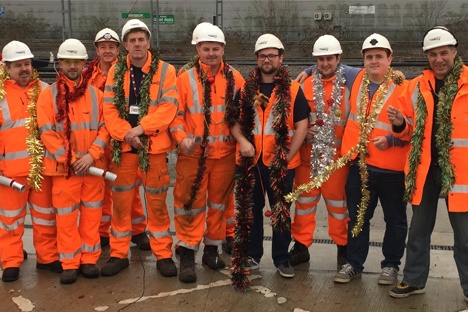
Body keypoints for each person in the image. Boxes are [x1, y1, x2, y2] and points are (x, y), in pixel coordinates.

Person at [388, 26, 468, 301]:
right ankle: (413, 280)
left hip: (461, 174)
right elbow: (407, 128)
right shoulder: (416, 86)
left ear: (455, 52)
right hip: (424, 170)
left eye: (443, 52)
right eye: (433, 54)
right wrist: (399, 124)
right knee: (418, 231)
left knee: (465, 237)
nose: (438, 59)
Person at [102, 19, 178, 278]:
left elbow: (169, 108)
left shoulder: (166, 71)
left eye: (141, 39)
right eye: (132, 40)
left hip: (153, 147)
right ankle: (118, 253)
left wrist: (141, 129)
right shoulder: (115, 71)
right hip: (123, 149)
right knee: (120, 203)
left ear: (149, 42)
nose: (137, 44)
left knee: (157, 203)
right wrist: (126, 133)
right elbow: (109, 109)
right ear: (125, 45)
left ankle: (164, 254)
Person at [170, 23, 244, 283]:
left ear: (223, 49)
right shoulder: (185, 78)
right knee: (188, 204)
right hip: (193, 156)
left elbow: (243, 117)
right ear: (197, 49)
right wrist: (182, 141)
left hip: (224, 154)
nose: (211, 53)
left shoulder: (236, 78)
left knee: (218, 205)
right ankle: (187, 251)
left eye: (215, 48)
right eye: (206, 48)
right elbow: (175, 116)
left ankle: (212, 249)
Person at [333, 33, 409, 285]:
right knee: (357, 217)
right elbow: (333, 64)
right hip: (360, 165)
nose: (374, 61)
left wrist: (393, 138)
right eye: (369, 57)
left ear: (390, 59)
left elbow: (414, 128)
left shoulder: (404, 87)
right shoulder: (357, 79)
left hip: (391, 168)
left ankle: (390, 266)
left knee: (395, 220)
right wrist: (307, 70)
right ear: (363, 61)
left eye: (379, 56)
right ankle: (354, 263)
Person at [231, 33, 309, 279]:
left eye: (272, 55)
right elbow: (233, 121)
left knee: (281, 213)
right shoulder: (246, 88)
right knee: (250, 211)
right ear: (257, 58)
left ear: (281, 57)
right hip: (250, 161)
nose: (267, 59)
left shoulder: (293, 89)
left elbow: (301, 125)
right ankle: (252, 255)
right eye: (263, 55)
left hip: (281, 164)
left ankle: (281, 258)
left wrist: (287, 157)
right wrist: (243, 141)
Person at [36, 38, 109, 284]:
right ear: (59, 63)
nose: (71, 66)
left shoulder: (96, 94)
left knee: (91, 217)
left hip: (92, 168)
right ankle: (69, 262)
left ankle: (88, 260)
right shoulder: (49, 96)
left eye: (76, 61)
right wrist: (74, 159)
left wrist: (91, 156)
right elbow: (47, 132)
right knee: (66, 218)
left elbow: (105, 129)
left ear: (84, 63)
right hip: (64, 170)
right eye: (66, 61)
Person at [0, 41, 61, 282]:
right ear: (7, 67)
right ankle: (10, 261)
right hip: (9, 172)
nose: (24, 68)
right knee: (10, 220)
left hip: (42, 169)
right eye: (18, 65)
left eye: (26, 63)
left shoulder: (46, 90)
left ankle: (47, 257)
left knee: (45, 217)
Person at [289, 35, 351, 270]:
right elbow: (293, 120)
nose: (325, 63)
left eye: (329, 58)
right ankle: (301, 247)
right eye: (321, 59)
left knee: (338, 208)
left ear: (338, 59)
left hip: (336, 162)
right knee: (304, 205)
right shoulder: (302, 86)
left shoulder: (349, 86)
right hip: (308, 160)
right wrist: (304, 135)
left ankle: (343, 250)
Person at [88, 27, 150, 251]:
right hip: (98, 142)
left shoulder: (127, 72)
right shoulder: (88, 77)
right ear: (96, 50)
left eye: (111, 47)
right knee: (103, 191)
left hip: (121, 140)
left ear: (118, 49)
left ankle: (138, 229)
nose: (107, 51)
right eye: (103, 47)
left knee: (129, 188)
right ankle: (104, 232)